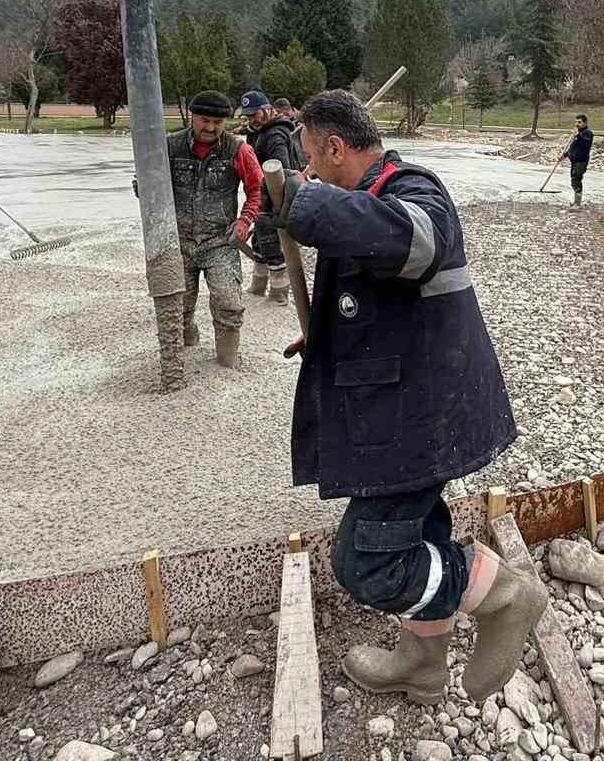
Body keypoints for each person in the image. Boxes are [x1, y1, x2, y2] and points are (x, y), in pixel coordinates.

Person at [258, 89, 544, 705]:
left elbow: (411, 246)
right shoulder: (366, 197)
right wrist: (329, 334)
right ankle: (422, 663)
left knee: (367, 563)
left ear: (335, 148)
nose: (307, 171)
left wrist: (306, 203)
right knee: (419, 534)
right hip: (397, 404)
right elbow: (381, 292)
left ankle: (505, 595)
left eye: (310, 159)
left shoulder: (415, 191)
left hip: (420, 417)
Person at [162, 90, 263, 369]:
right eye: (204, 120)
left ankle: (227, 361)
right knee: (176, 306)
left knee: (228, 303)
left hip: (220, 241)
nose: (210, 128)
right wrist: (144, 188)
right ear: (192, 117)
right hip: (179, 241)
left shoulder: (239, 151)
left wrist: (245, 221)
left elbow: (257, 189)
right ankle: (182, 350)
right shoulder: (169, 148)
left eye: (217, 122)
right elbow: (151, 184)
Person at [239, 88, 304, 303]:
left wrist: (271, 202)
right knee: (260, 241)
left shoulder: (275, 134)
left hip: (275, 196)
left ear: (268, 109)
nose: (251, 119)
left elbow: (281, 170)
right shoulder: (257, 132)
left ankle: (279, 293)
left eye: (254, 114)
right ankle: (258, 286)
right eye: (248, 116)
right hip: (261, 194)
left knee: (270, 242)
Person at [562, 114, 594, 207]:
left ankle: (577, 203)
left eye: (579, 122)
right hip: (574, 161)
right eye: (576, 122)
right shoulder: (577, 134)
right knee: (573, 181)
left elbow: (586, 144)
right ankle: (576, 201)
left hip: (581, 161)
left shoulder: (588, 133)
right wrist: (565, 155)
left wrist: (578, 135)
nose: (577, 124)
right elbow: (573, 147)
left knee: (576, 180)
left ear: (585, 123)